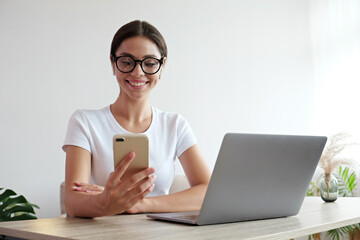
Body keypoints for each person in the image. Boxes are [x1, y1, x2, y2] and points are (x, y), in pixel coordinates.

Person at [63, 20, 211, 218]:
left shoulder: (175, 125)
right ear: (113, 63)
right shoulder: (85, 122)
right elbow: (73, 202)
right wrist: (105, 201)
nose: (137, 72)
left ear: (162, 65)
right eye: (126, 62)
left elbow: (207, 191)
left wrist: (140, 204)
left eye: (149, 63)